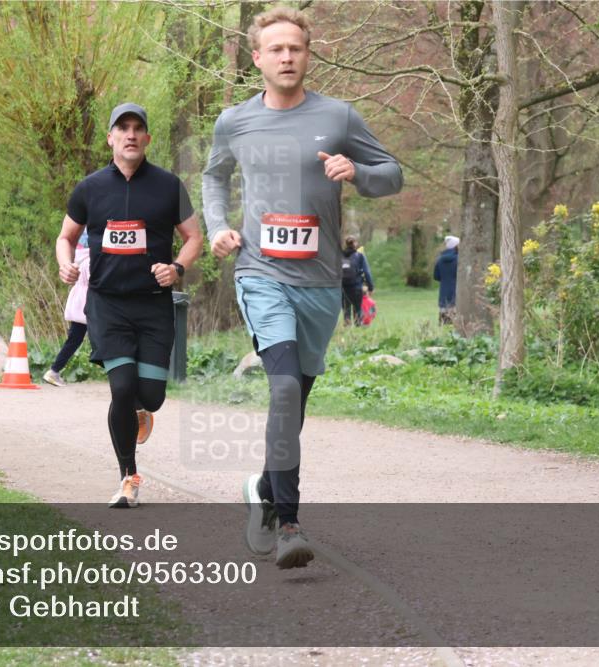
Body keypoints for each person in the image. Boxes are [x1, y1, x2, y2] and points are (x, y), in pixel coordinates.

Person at [202, 7, 402, 568]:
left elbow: (393, 174)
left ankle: (264, 489)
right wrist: (219, 229)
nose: (287, 57)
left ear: (307, 55)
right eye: (277, 49)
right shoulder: (234, 122)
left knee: (297, 399)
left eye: (297, 48)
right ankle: (289, 523)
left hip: (320, 283)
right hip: (260, 273)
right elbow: (214, 176)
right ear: (258, 58)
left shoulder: (338, 117)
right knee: (284, 389)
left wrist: (356, 172)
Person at [56, 102, 202, 507]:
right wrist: (66, 264)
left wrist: (176, 268)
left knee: (150, 396)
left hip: (154, 306)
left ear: (148, 138)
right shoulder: (89, 188)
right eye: (123, 128)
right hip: (107, 305)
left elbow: (194, 237)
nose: (131, 135)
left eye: (139, 128)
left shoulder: (168, 185)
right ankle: (128, 478)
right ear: (111, 138)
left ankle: (142, 409)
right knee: (121, 389)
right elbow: (65, 237)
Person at [44, 232, 90, 388]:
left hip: (79, 304)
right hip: (89, 305)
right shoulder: (90, 259)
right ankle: (54, 370)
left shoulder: (78, 257)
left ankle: (54, 370)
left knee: (74, 339)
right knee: (102, 340)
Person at [340, 235, 374, 326]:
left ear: (346, 244)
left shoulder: (339, 255)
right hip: (356, 287)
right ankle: (358, 325)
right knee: (357, 309)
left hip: (343, 288)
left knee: (346, 310)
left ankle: (347, 324)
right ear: (355, 244)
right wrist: (370, 287)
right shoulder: (359, 256)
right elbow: (367, 272)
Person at [433, 235, 459, 325]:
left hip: (443, 293)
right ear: (456, 246)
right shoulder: (459, 259)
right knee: (454, 319)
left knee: (444, 322)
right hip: (456, 292)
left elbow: (436, 276)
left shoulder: (440, 260)